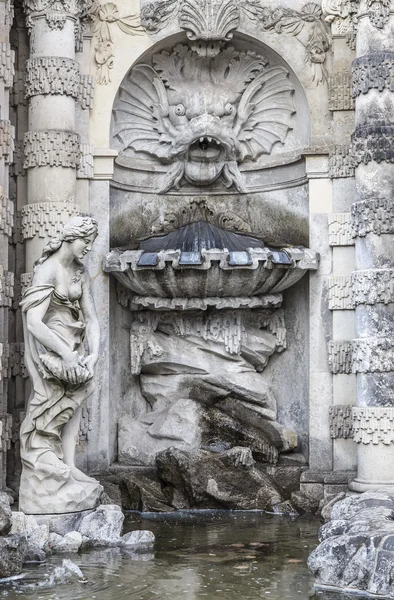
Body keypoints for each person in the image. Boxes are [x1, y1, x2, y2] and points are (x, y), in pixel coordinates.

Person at [19, 216, 103, 515]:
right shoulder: (49, 269)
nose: (89, 247)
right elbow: (33, 322)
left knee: (80, 395)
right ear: (70, 237)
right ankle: (42, 465)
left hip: (75, 345)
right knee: (51, 400)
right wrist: (65, 355)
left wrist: (93, 353)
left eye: (93, 241)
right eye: (86, 241)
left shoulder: (80, 270)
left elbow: (92, 319)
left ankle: (68, 465)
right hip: (53, 348)